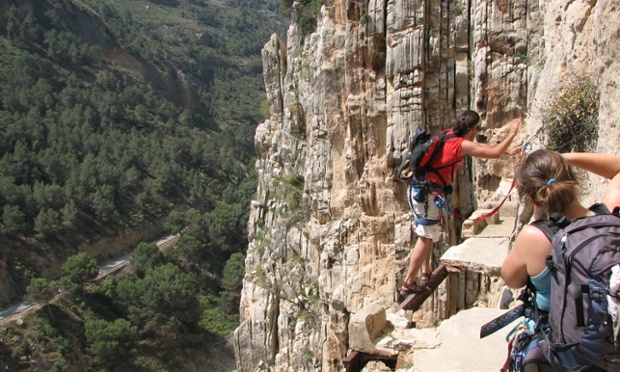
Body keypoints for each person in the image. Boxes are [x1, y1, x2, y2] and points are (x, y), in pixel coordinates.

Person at [500, 149, 620, 370]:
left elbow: (510, 278)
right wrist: (565, 157)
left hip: (564, 354)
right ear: (573, 180)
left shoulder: (534, 237)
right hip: (609, 346)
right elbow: (617, 169)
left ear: (533, 198)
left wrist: (536, 220)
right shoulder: (609, 217)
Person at [400, 110, 522, 296]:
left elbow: (480, 147)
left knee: (427, 232)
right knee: (425, 237)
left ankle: (425, 273)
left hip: (418, 190)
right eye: (477, 129)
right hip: (428, 195)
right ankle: (408, 283)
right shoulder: (460, 145)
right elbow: (493, 153)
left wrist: (506, 150)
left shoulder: (448, 134)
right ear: (473, 129)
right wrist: (512, 133)